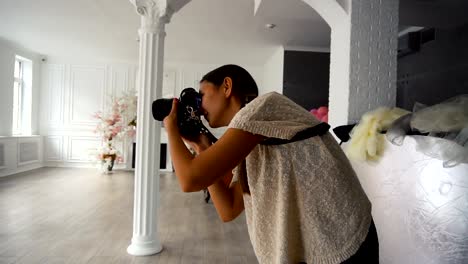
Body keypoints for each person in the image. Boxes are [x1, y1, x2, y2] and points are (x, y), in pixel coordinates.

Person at [163, 64, 378, 264]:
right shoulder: (252, 138)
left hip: (345, 240)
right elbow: (228, 208)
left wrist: (170, 126)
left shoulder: (263, 107)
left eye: (202, 96)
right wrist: (201, 148)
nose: (200, 108)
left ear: (227, 87)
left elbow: (189, 180)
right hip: (323, 242)